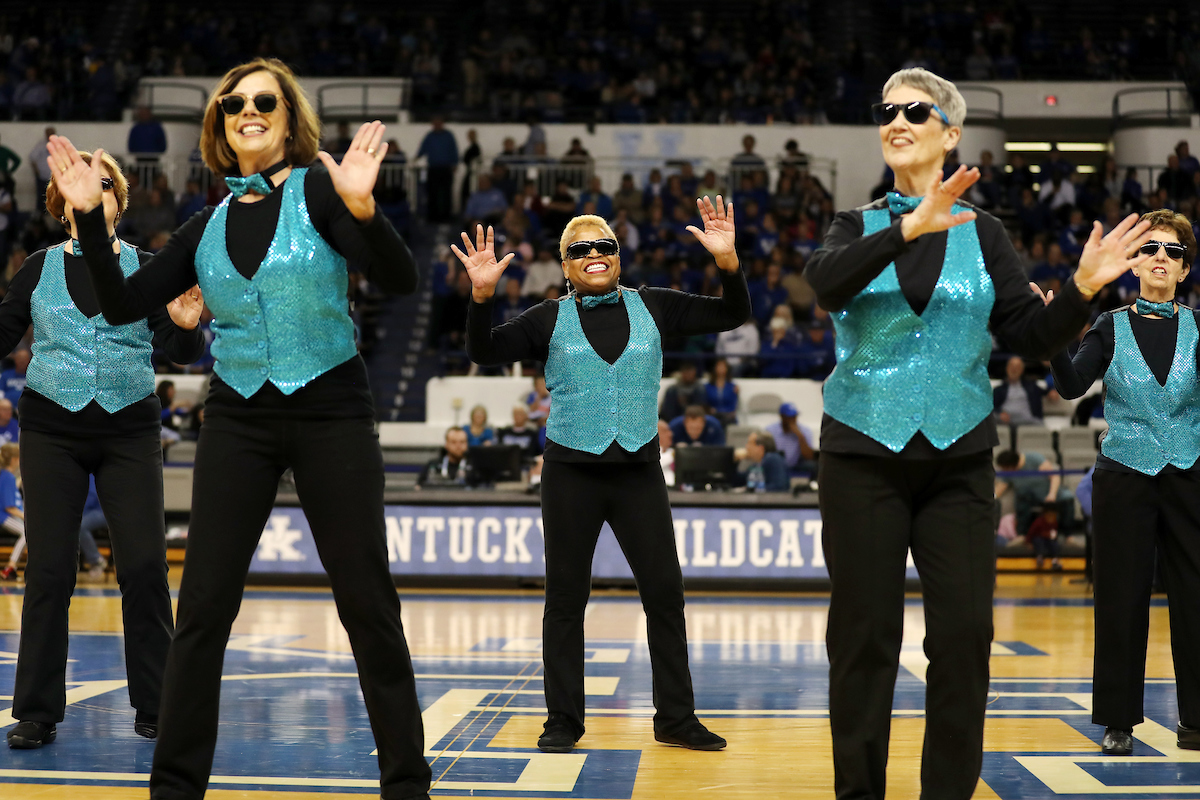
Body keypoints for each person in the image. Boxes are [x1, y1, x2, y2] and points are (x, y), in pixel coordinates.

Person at [52, 57, 431, 799]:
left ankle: (407, 783)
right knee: (202, 610)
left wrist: (363, 210)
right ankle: (175, 786)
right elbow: (126, 305)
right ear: (220, 127)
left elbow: (401, 281)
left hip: (331, 411)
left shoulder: (323, 192)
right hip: (237, 416)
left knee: (367, 602)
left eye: (263, 100)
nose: (247, 111)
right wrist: (94, 223)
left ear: (290, 119)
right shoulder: (206, 224)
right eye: (232, 104)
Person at [804, 67, 1152, 800]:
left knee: (963, 642)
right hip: (861, 456)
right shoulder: (854, 224)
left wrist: (1086, 289)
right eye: (887, 110)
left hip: (959, 462)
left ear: (950, 134)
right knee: (864, 642)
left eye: (916, 111)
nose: (896, 120)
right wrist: (906, 228)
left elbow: (1029, 332)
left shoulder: (987, 234)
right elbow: (825, 284)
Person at [459, 198, 748, 753]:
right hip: (570, 473)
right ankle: (563, 720)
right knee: (566, 601)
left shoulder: (656, 306)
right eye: (580, 249)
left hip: (638, 471)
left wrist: (729, 263)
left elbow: (731, 315)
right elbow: (482, 350)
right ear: (565, 266)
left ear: (619, 256)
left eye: (604, 246)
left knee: (665, 595)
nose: (594, 254)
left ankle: (676, 719)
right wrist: (480, 297)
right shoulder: (546, 318)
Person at [0, 148, 204, 748]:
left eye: (106, 183)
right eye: (80, 185)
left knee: (143, 566)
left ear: (119, 200)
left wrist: (190, 329)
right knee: (51, 570)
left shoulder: (150, 267)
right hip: (51, 430)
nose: (95, 192)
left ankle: (156, 705)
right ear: (63, 205)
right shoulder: (35, 268)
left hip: (130, 429)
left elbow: (181, 352)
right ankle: (37, 710)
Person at [1048, 208, 1200, 757]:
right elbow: (1069, 387)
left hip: (1190, 475)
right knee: (1120, 599)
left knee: (1196, 599)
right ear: (1134, 262)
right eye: (1151, 248)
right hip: (1124, 476)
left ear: (1184, 270)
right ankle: (1118, 721)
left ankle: (1197, 720)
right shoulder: (1109, 325)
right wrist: (1053, 340)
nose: (1162, 257)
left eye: (1174, 251)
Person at [994, 449, 1061, 536]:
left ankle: (1067, 536)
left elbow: (1054, 476)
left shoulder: (1034, 458)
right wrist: (991, 498)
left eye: (1004, 468)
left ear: (1010, 466)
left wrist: (1052, 494)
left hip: (1047, 493)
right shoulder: (1008, 472)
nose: (1003, 470)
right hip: (1026, 498)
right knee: (1021, 495)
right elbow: (1000, 488)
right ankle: (1021, 534)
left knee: (1067, 497)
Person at [416, 115, 458, 223]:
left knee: (446, 193)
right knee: (432, 193)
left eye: (439, 122)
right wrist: (415, 159)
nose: (437, 124)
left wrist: (455, 164)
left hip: (446, 169)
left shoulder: (448, 136)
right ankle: (432, 217)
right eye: (435, 122)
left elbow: (454, 150)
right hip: (433, 169)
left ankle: (446, 216)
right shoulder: (430, 136)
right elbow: (423, 149)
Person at [764, 403, 816, 475]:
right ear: (781, 416)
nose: (792, 420)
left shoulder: (805, 431)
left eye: (794, 416)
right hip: (776, 465)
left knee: (811, 465)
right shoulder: (770, 430)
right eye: (789, 417)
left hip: (796, 465)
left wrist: (800, 436)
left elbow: (809, 456)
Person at [993, 355, 1045, 427]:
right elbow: (992, 408)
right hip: (1006, 422)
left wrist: (1051, 391)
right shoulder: (998, 390)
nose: (1014, 370)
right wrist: (999, 414)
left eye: (1017, 367)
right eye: (1012, 367)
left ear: (1022, 370)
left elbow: (1045, 391)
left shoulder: (1032, 387)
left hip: (1028, 422)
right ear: (1007, 368)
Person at [0, 444, 25, 581]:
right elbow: (9, 507)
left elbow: (13, 488)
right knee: (27, 533)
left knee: (28, 533)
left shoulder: (7, 476)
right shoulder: (7, 477)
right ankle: (10, 566)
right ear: (14, 459)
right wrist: (25, 516)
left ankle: (12, 567)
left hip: (8, 516)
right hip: (4, 516)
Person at [1023, 503, 1064, 570]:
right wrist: (1028, 542)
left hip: (1048, 539)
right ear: (1044, 515)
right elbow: (1031, 532)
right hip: (1039, 538)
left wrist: (1053, 536)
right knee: (1039, 541)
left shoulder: (1055, 523)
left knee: (1055, 544)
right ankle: (1040, 558)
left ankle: (1055, 561)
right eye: (1049, 515)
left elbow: (1054, 533)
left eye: (1053, 516)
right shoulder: (1038, 522)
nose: (1051, 518)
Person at [704, 357, 738, 426]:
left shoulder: (733, 387)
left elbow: (733, 405)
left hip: (727, 416)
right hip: (713, 415)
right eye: (719, 366)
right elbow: (705, 403)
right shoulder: (707, 387)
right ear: (715, 368)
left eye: (723, 366)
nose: (721, 368)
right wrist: (710, 410)